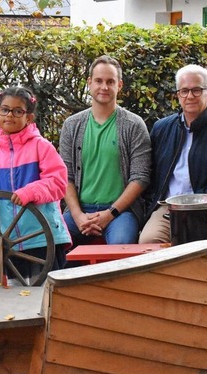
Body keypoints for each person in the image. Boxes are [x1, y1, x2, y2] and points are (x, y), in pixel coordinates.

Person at [0, 86, 71, 286]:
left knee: (47, 294)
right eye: (5, 110)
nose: (10, 115)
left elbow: (58, 183)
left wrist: (29, 192)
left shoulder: (42, 147)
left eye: (18, 111)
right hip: (10, 240)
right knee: (16, 294)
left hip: (44, 237)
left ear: (29, 117)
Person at [139, 64, 207, 244]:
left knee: (206, 240)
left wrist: (195, 201)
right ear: (178, 95)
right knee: (149, 241)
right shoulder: (162, 129)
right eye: (184, 91)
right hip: (170, 207)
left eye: (197, 90)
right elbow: (150, 174)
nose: (190, 96)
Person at [59, 55, 151, 247]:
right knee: (51, 242)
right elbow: (65, 176)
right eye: (99, 81)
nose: (104, 87)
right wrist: (77, 216)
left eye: (110, 82)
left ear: (120, 85)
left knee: (120, 247)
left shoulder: (133, 125)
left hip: (120, 213)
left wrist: (110, 214)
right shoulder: (72, 125)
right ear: (89, 83)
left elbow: (140, 177)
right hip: (80, 211)